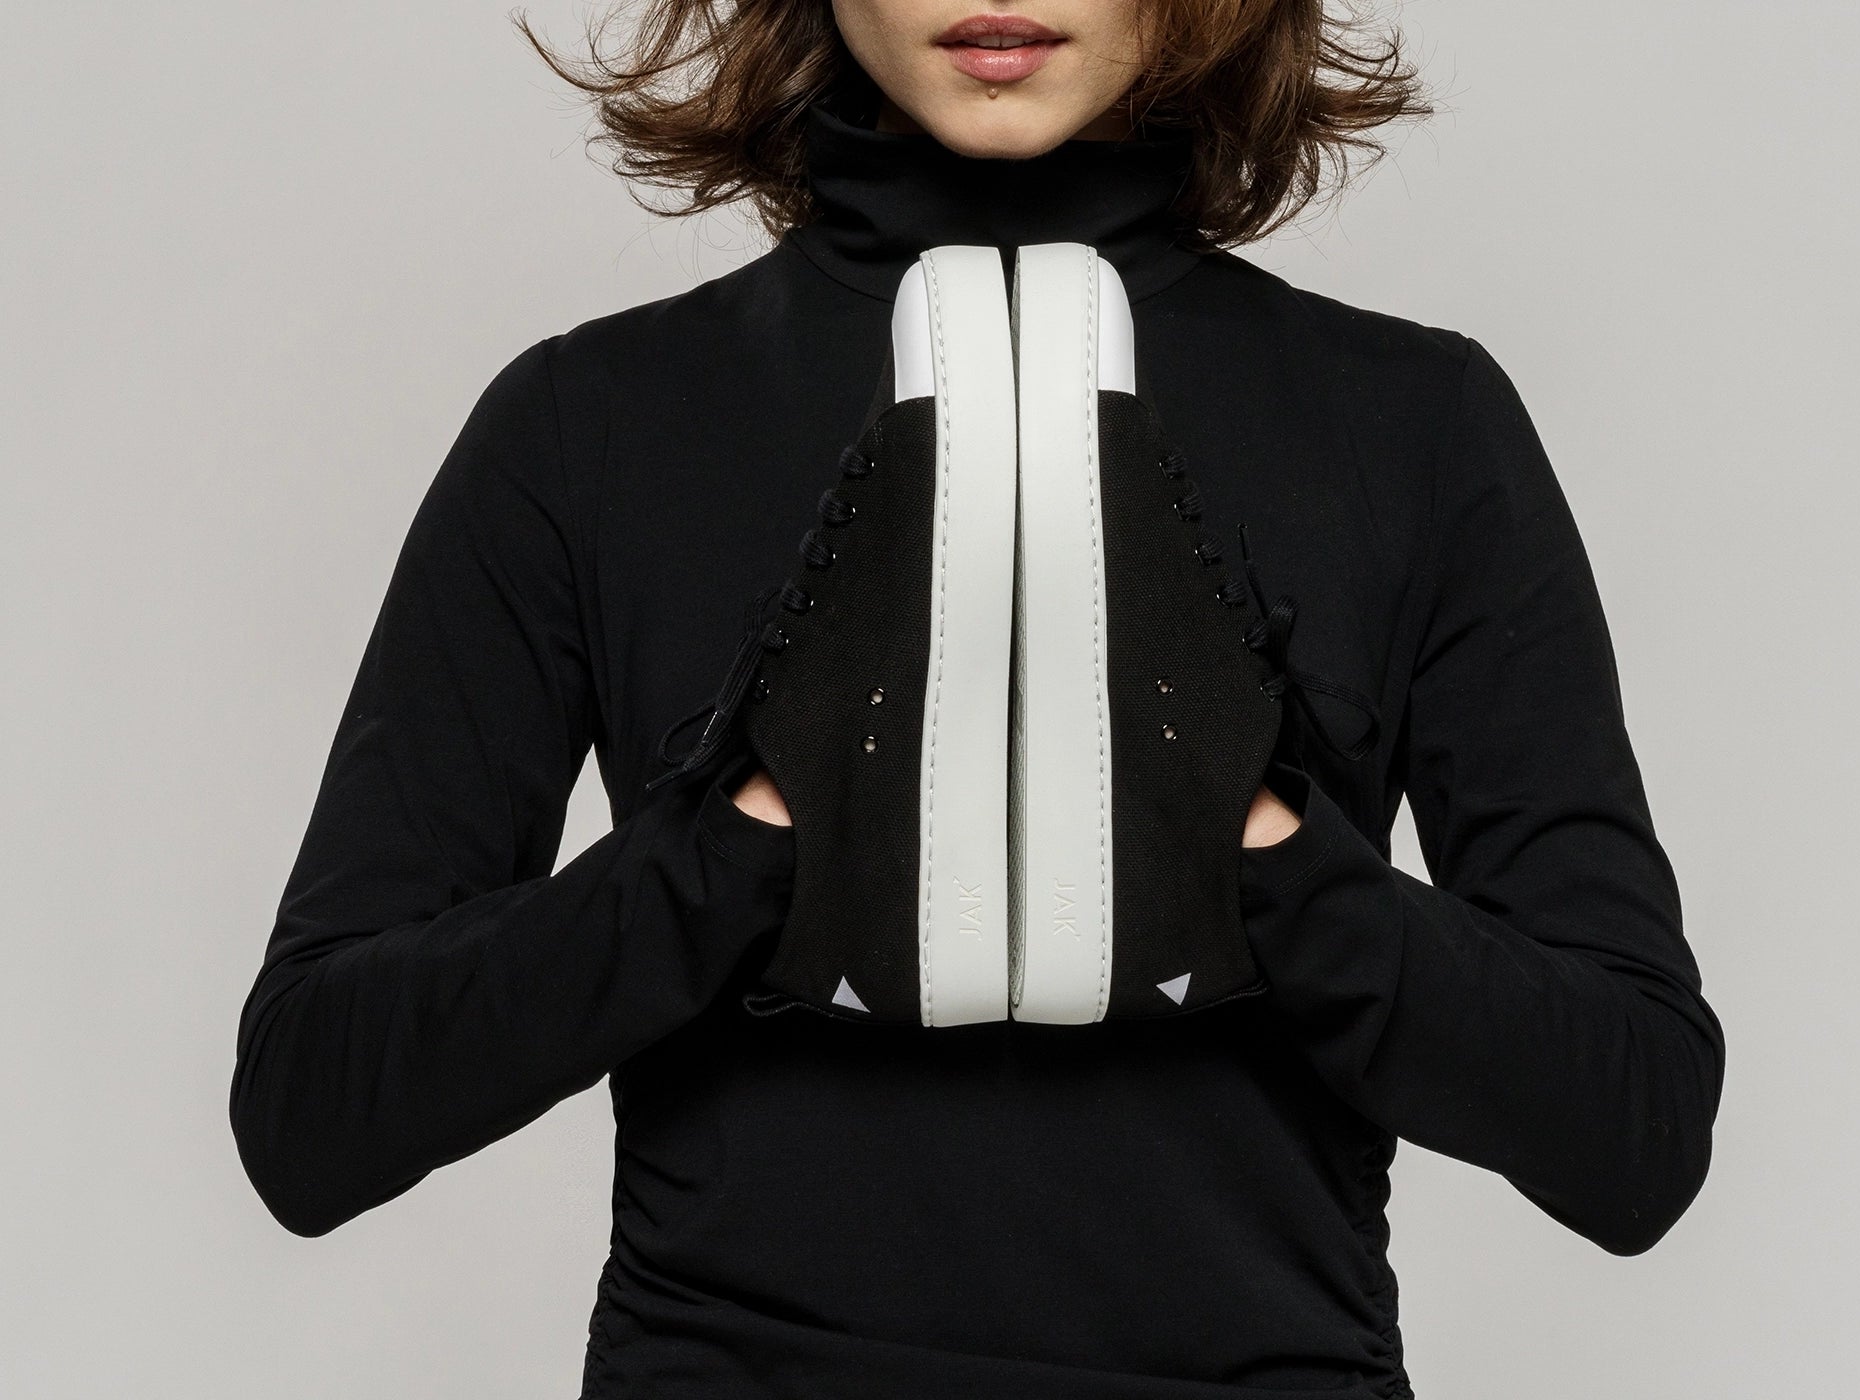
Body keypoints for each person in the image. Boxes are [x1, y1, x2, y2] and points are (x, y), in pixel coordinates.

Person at [228, 2, 1726, 1395]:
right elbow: (312, 1112)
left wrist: (1257, 833)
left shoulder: (1414, 423)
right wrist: (747, 830)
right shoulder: (592, 423)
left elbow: (1635, 1132)